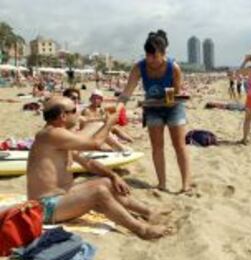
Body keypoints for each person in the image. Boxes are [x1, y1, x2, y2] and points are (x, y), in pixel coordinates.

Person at [26, 96, 171, 239]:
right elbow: (95, 143)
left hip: (61, 198)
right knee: (98, 192)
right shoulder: (51, 134)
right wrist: (109, 123)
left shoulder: (60, 137)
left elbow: (88, 162)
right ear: (63, 116)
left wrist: (113, 175)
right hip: (45, 208)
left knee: (107, 182)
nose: (78, 112)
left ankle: (149, 212)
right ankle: (141, 229)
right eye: (74, 109)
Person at [117, 30, 191, 193]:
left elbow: (173, 96)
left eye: (154, 57)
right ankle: (162, 183)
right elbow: (127, 91)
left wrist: (163, 101)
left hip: (173, 108)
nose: (150, 60)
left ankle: (185, 185)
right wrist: (119, 107)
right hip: (152, 109)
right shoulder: (139, 67)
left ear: (163, 54)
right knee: (157, 147)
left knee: (179, 145)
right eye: (148, 56)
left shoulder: (174, 68)